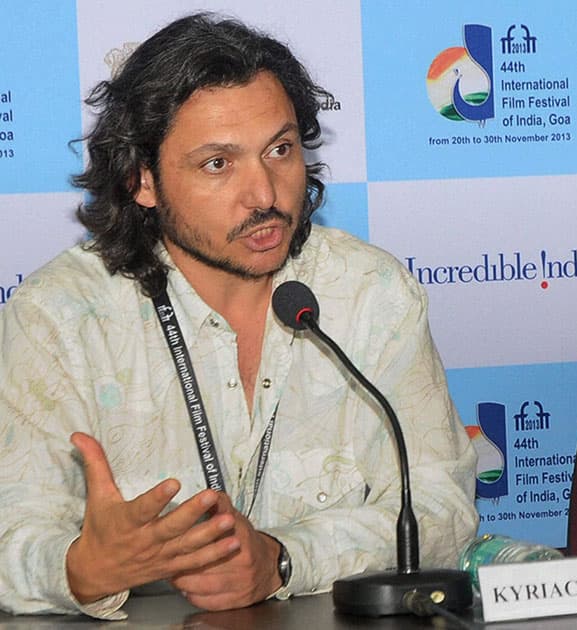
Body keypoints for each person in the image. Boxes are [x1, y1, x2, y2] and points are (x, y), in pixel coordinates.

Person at [0, 13, 477, 618]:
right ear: (141, 180)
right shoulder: (60, 318)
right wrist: (81, 568)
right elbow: (11, 533)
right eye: (218, 164)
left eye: (280, 150)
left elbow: (442, 506)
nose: (266, 194)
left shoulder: (370, 292)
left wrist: (282, 558)